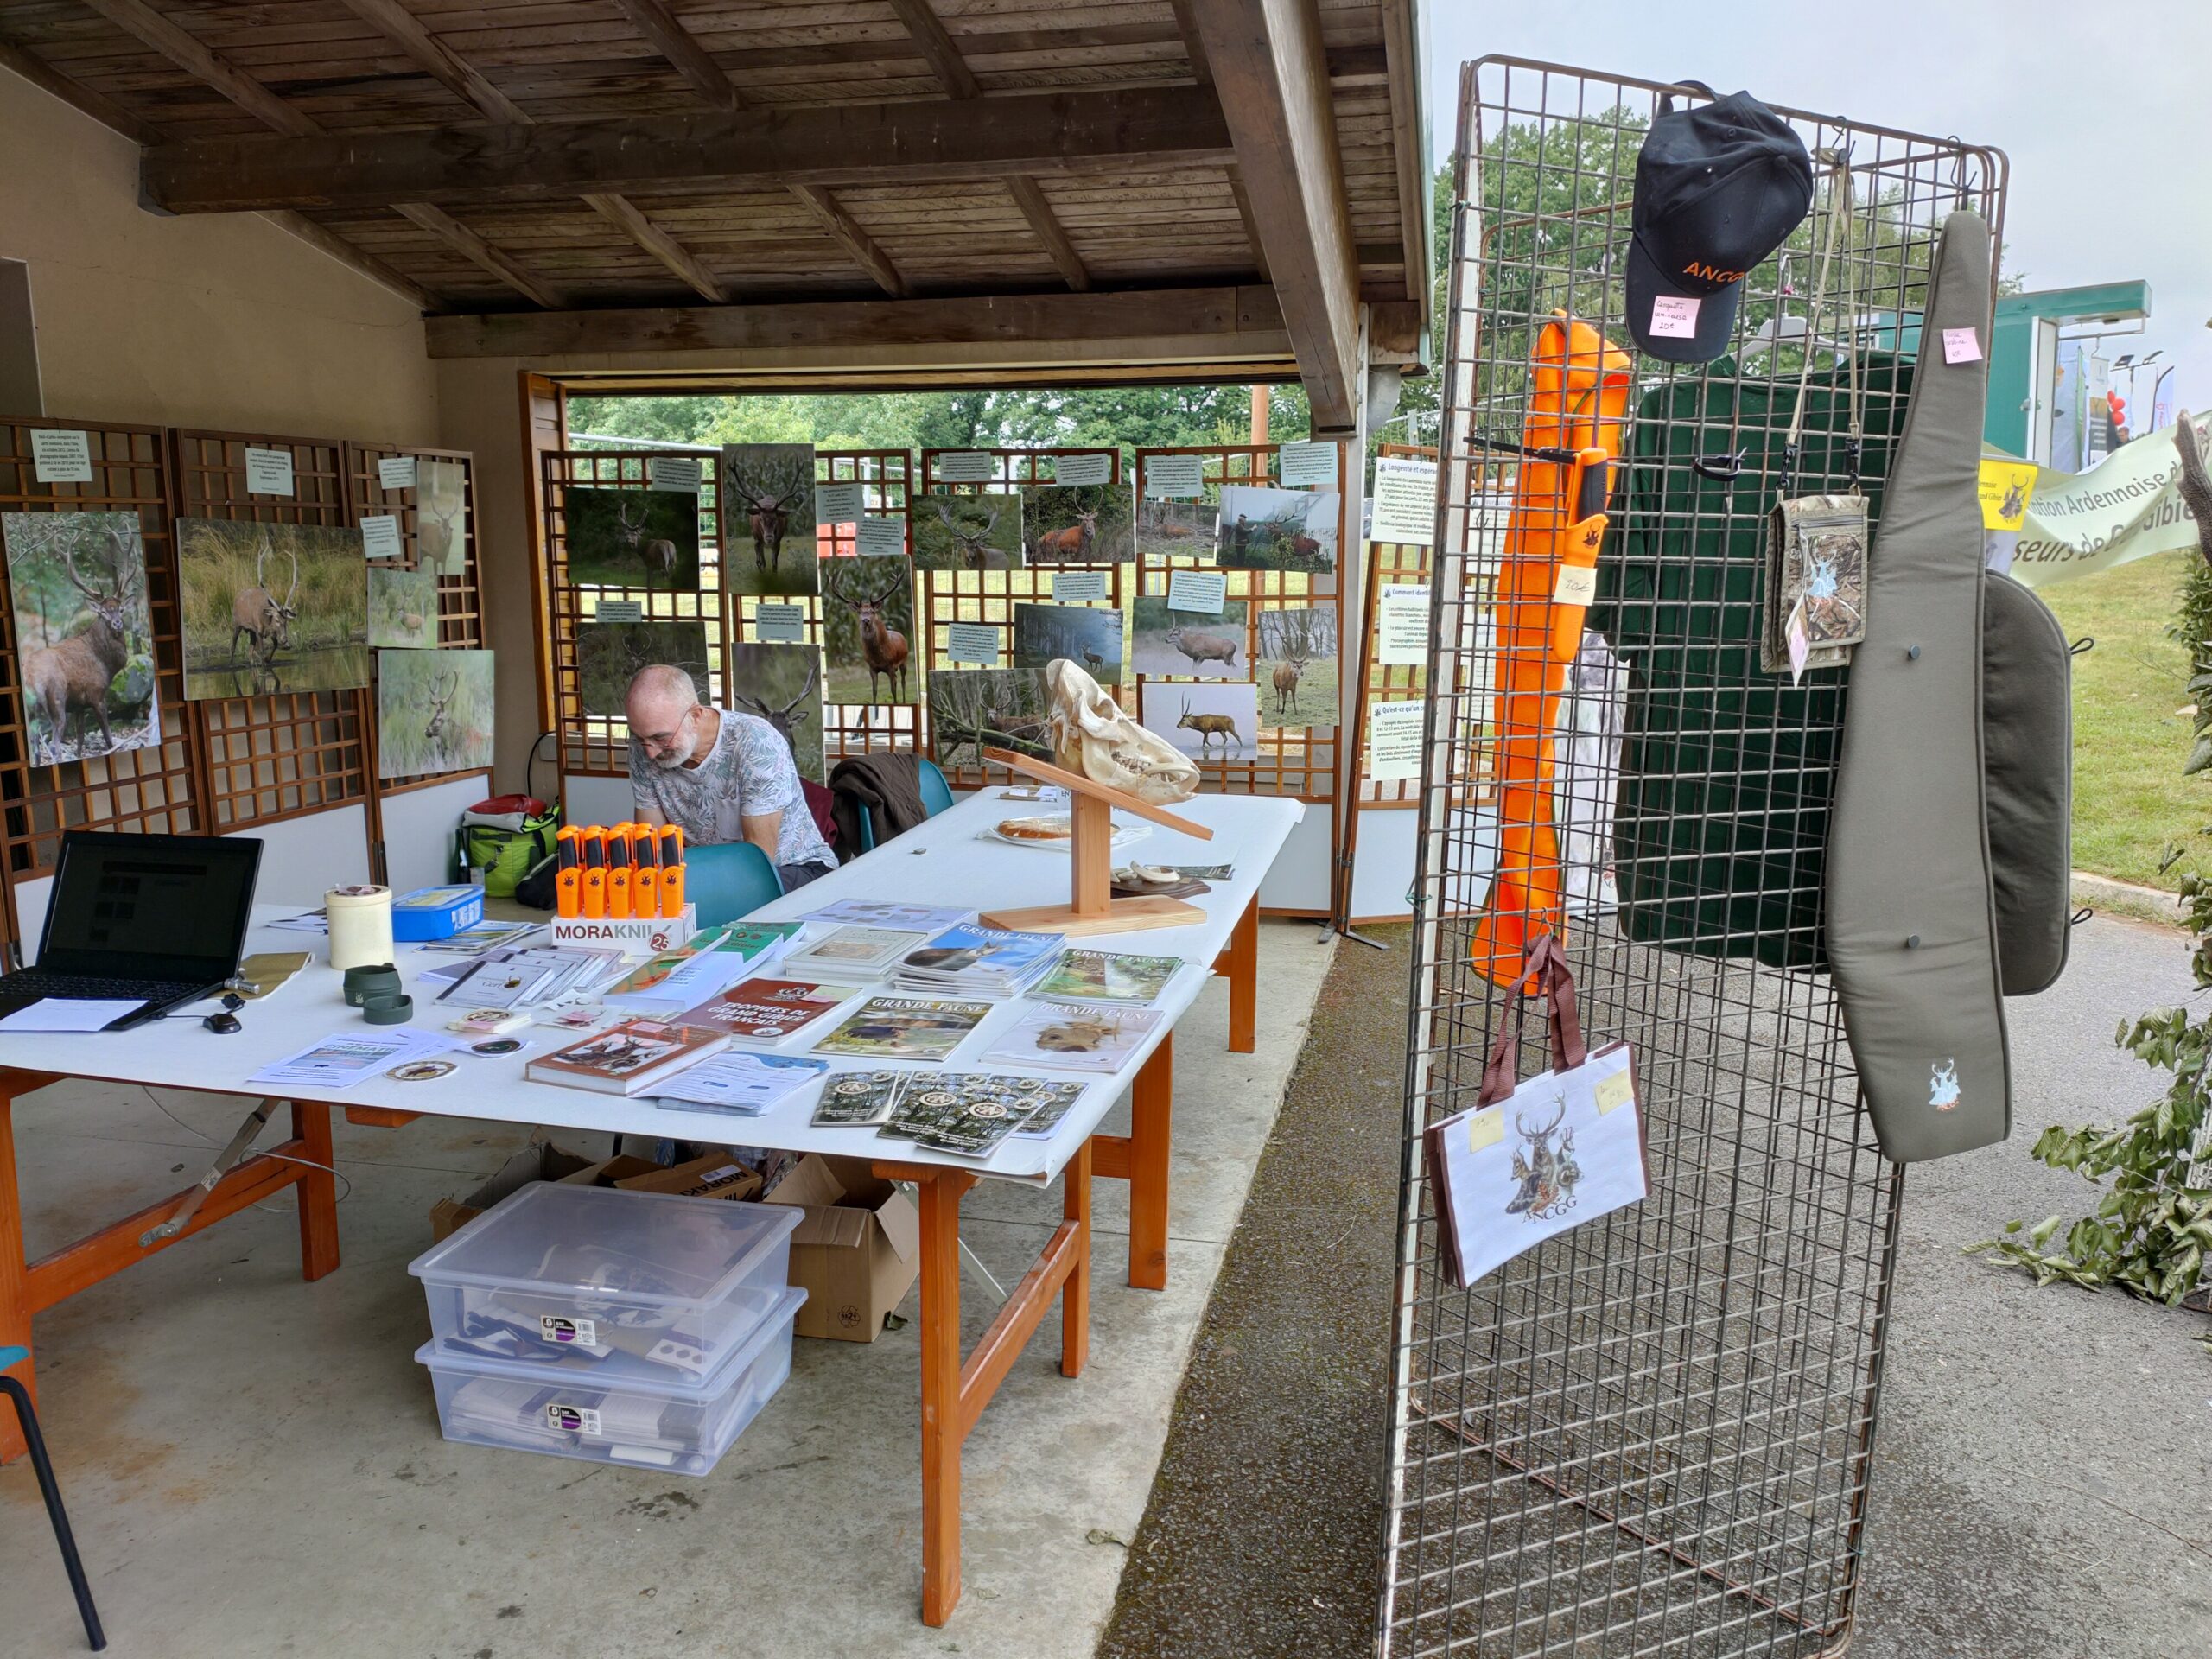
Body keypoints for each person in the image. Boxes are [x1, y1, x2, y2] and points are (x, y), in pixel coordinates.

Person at [625, 664, 835, 891]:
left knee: (724, 899)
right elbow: (653, 845)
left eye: (662, 738)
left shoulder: (756, 742)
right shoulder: (643, 748)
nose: (650, 752)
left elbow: (758, 861)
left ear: (696, 716)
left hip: (793, 869)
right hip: (709, 871)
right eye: (639, 738)